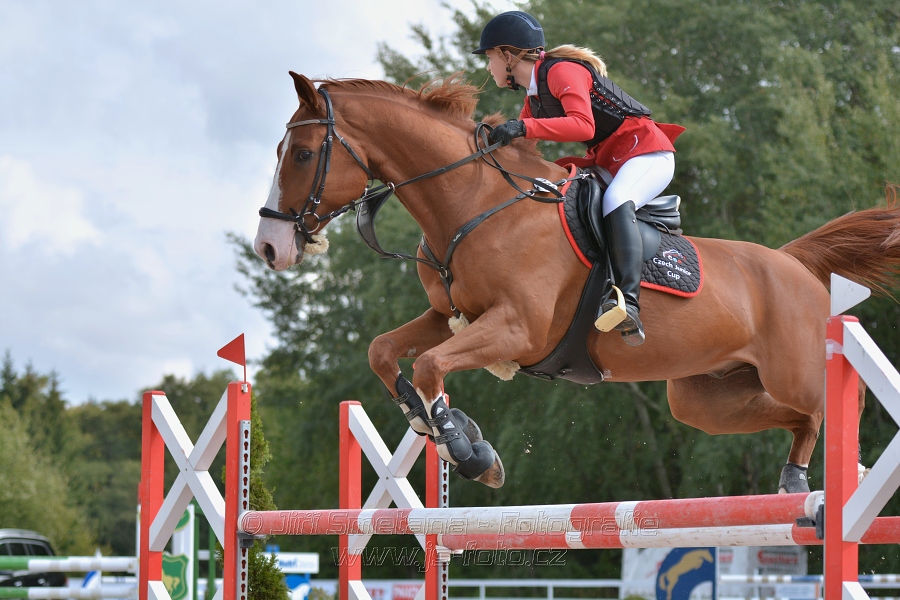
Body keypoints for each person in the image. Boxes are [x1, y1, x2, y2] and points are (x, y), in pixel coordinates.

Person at [474, 11, 685, 346]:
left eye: (489, 58)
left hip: (645, 153)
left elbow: (582, 125)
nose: (488, 67)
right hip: (609, 159)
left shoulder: (561, 71)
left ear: (508, 55)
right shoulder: (534, 98)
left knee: (617, 199)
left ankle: (626, 301)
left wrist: (523, 126)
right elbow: (524, 149)